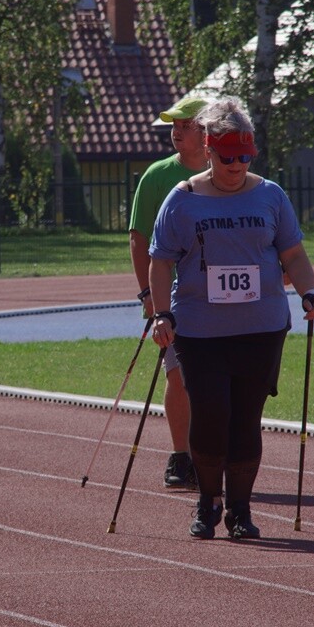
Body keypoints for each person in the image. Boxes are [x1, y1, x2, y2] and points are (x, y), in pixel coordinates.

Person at [148, 97, 314, 539]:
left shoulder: (270, 194)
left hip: (261, 328)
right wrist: (160, 314)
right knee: (210, 414)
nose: (236, 165)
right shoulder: (182, 199)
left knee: (246, 418)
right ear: (209, 149)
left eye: (245, 156)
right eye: (228, 157)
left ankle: (240, 512)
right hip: (200, 330)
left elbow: (294, 253)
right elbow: (159, 261)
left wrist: (310, 292)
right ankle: (208, 502)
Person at [128, 97, 208, 489]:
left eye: (185, 124)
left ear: (206, 129)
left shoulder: (228, 171)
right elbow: (138, 237)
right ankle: (181, 457)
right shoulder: (158, 176)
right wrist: (147, 292)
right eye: (173, 124)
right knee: (178, 376)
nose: (175, 130)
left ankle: (213, 453)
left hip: (218, 297)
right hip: (173, 298)